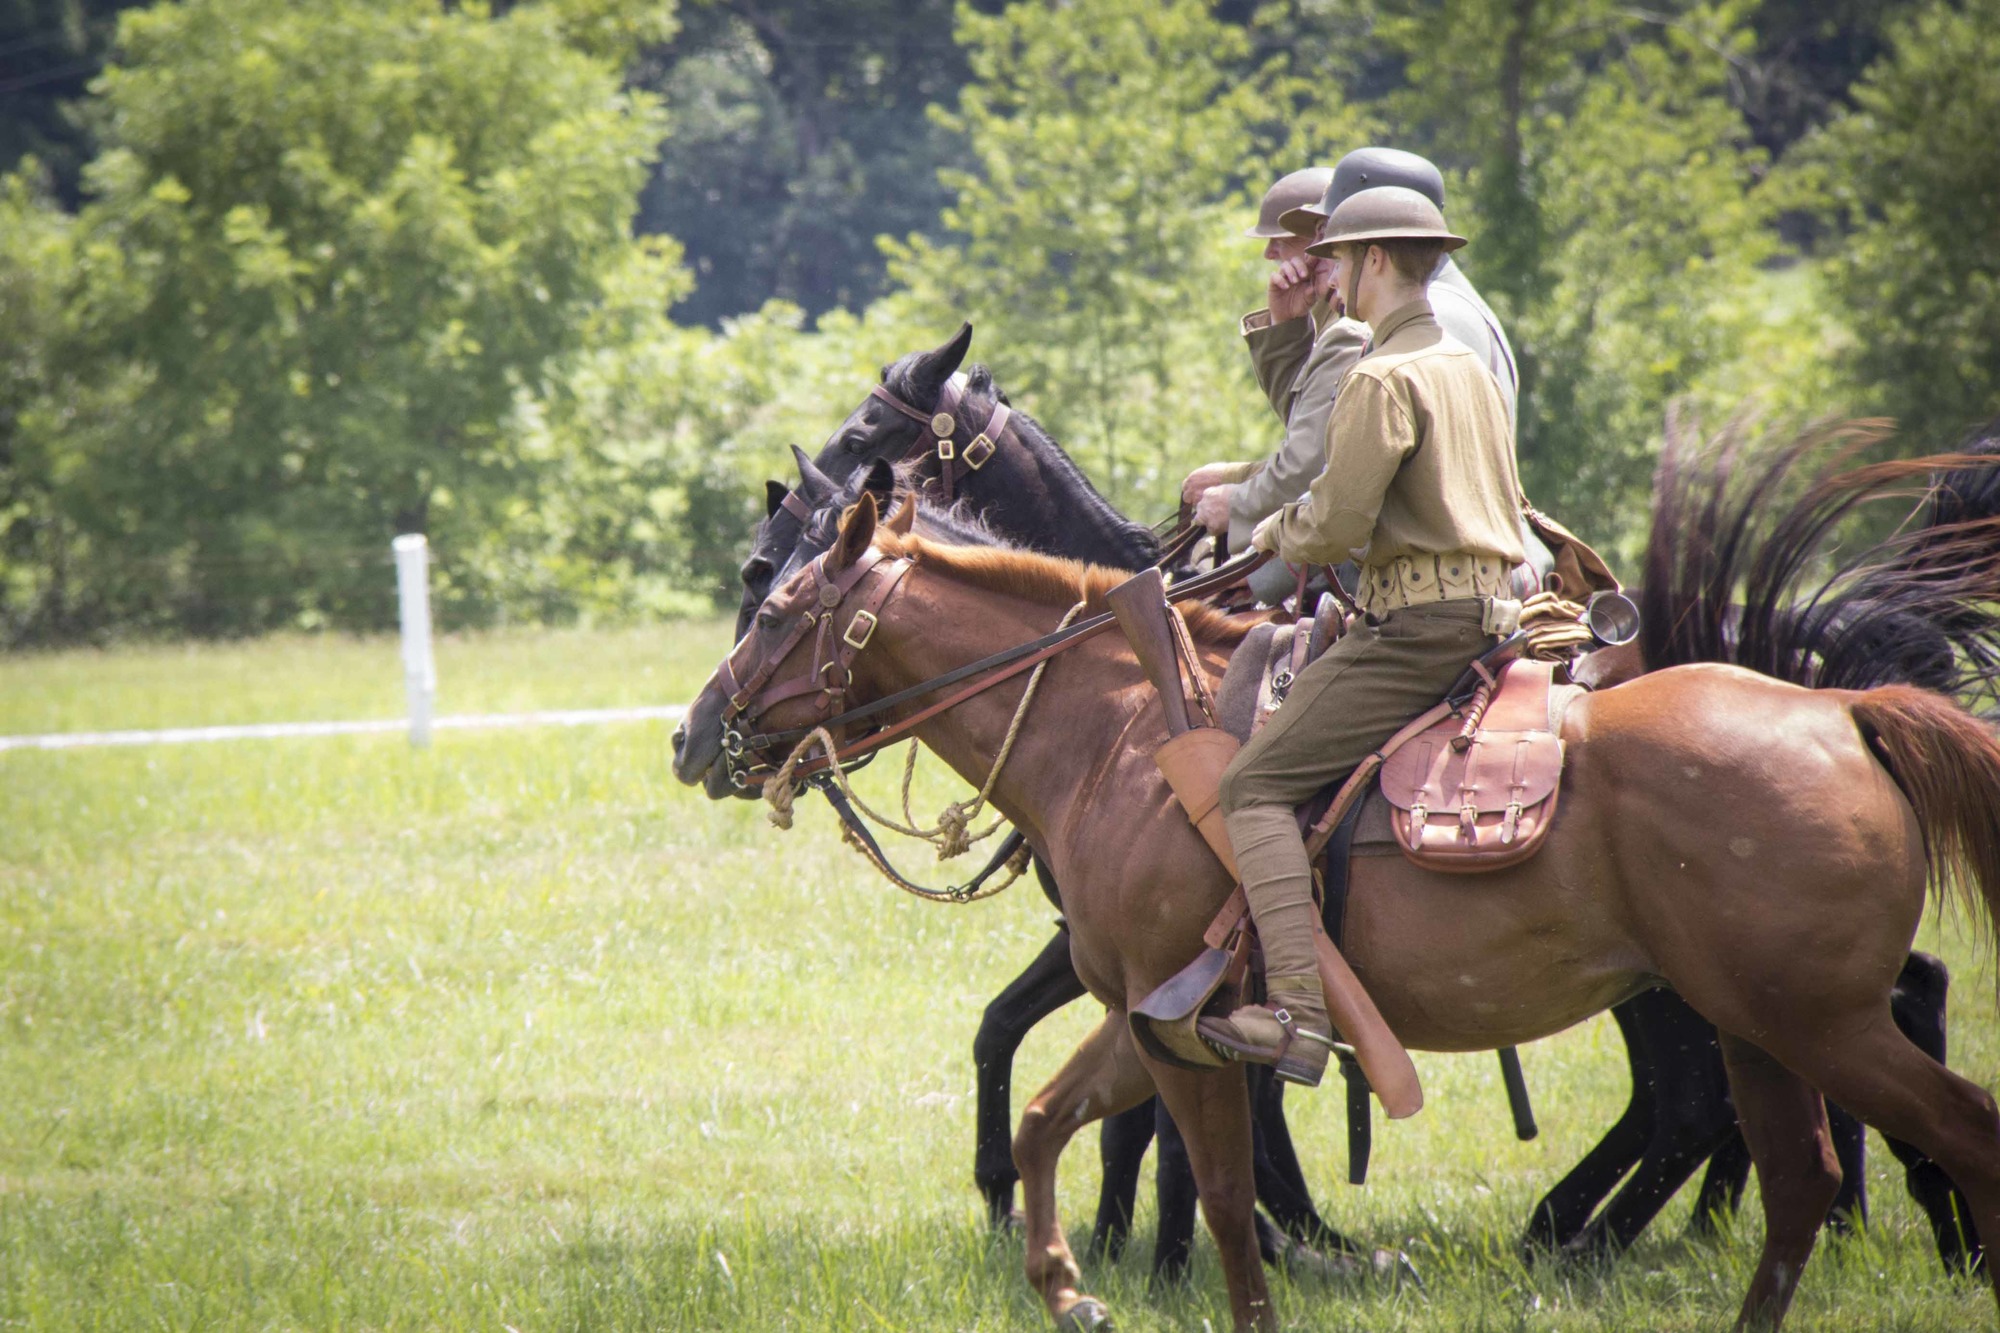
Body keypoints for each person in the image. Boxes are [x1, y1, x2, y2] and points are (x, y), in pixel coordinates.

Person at [1194, 186, 1527, 1088]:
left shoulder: (1384, 377)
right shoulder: (1461, 365)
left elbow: (1337, 525)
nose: (1330, 276)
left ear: (1376, 260)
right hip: (1492, 612)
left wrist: (1270, 533)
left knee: (1253, 782)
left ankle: (1297, 1013)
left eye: (1339, 259)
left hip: (1418, 626)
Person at [1183, 148, 1521, 603]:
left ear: (1373, 250)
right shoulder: (1445, 318)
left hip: (1416, 588)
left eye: (1334, 240)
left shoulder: (1400, 333)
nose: (1326, 256)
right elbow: (1337, 441)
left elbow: (1326, 483)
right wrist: (1289, 332)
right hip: (1467, 576)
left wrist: (1258, 554)